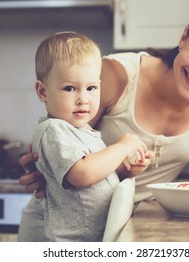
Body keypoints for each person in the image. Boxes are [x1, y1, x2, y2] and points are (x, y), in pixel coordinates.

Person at [18, 4, 189, 241]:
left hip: (121, 228)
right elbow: (59, 139)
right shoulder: (116, 75)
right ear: (183, 37)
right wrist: (41, 168)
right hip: (63, 231)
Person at [30, 31, 152, 242]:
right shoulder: (54, 130)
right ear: (43, 92)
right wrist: (122, 147)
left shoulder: (85, 132)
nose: (83, 99)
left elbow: (97, 178)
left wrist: (124, 169)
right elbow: (83, 174)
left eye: (91, 88)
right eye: (70, 88)